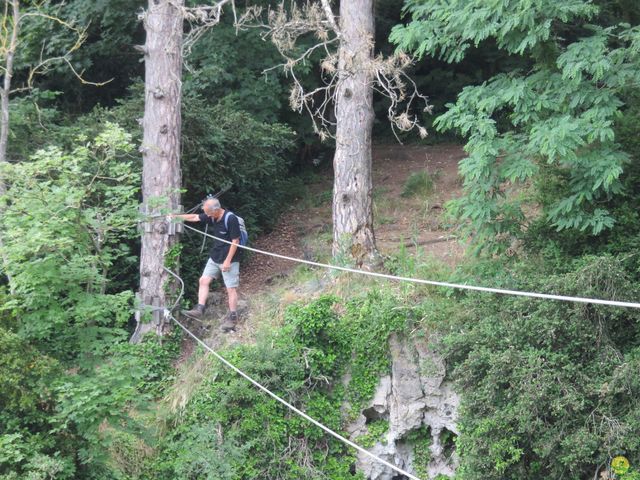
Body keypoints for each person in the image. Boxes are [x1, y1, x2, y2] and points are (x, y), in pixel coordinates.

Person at [173, 198, 241, 332]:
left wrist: (227, 261)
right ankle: (200, 309)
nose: (208, 216)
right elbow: (195, 217)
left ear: (216, 210)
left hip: (229, 259)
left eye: (209, 214)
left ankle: (233, 315)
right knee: (203, 280)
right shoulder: (212, 215)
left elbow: (235, 241)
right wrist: (175, 217)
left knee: (230, 288)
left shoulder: (230, 219)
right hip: (215, 256)